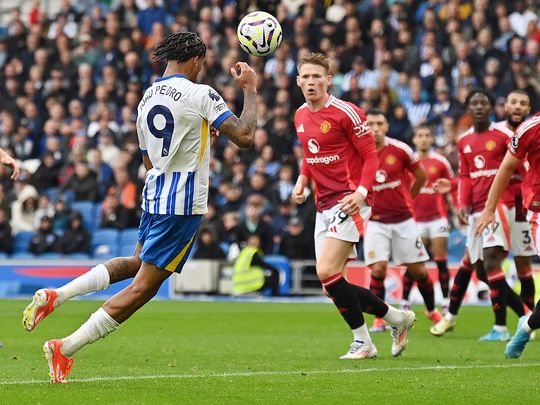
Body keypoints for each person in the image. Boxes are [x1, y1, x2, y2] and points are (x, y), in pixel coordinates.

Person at [22, 32, 258, 383]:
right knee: (144, 287)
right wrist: (251, 89)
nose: (201, 69)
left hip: (155, 196)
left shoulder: (147, 97)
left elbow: (149, 161)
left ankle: (58, 295)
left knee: (135, 265)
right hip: (181, 205)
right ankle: (65, 347)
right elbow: (246, 137)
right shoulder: (201, 93)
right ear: (194, 60)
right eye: (202, 63)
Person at [291, 53, 415, 360]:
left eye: (317, 77)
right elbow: (310, 154)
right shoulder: (299, 116)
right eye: (305, 77)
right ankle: (398, 318)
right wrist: (302, 181)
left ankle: (364, 343)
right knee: (330, 283)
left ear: (328, 79)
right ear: (298, 81)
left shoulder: (347, 112)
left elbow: (371, 156)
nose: (311, 82)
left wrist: (361, 192)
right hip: (323, 203)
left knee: (326, 271)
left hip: (349, 199)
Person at [430, 88, 528, 341]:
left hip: (500, 207)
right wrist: (461, 202)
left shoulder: (505, 134)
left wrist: (524, 198)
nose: (479, 107)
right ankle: (526, 315)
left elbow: (522, 164)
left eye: (484, 103)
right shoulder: (464, 140)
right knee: (479, 268)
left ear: (493, 107)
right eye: (474, 103)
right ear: (468, 108)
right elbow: (464, 175)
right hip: (475, 211)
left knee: (493, 261)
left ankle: (500, 328)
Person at [363, 110, 440, 333]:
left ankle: (431, 310)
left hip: (404, 220)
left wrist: (409, 197)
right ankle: (379, 318)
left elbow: (422, 177)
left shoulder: (400, 149)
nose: (375, 128)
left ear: (387, 126)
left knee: (419, 271)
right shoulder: (359, 152)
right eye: (370, 124)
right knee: (378, 269)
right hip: (376, 221)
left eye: (379, 123)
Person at [476, 112, 540, 358]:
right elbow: (506, 167)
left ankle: (526, 326)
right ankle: (522, 326)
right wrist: (489, 209)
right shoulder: (529, 129)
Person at [401, 124, 454, 314]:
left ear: (432, 139)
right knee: (413, 263)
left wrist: (456, 212)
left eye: (427, 135)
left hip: (438, 219)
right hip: (414, 220)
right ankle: (405, 302)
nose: (423, 139)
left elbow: (451, 188)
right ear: (414, 139)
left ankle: (446, 301)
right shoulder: (407, 162)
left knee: (441, 260)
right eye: (420, 135)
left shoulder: (441, 162)